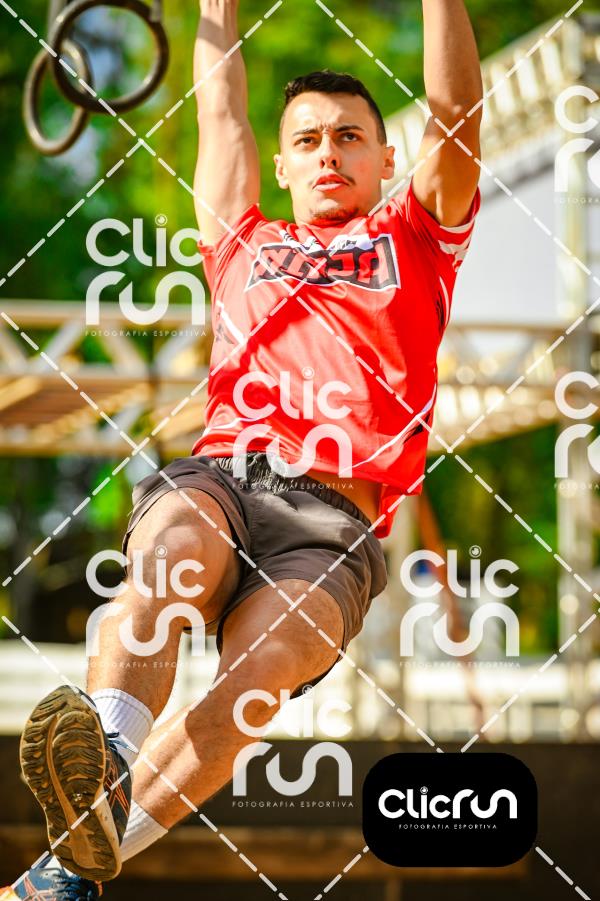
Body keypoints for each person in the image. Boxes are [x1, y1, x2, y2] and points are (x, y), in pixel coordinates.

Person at [3, 0, 482, 897]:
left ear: (387, 159)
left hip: (329, 524)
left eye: (349, 136)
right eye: (307, 139)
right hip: (225, 478)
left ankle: (68, 870)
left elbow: (457, 113)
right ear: (283, 163)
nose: (328, 152)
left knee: (254, 683)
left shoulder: (416, 238)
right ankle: (106, 756)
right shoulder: (242, 240)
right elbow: (220, 108)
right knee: (173, 554)